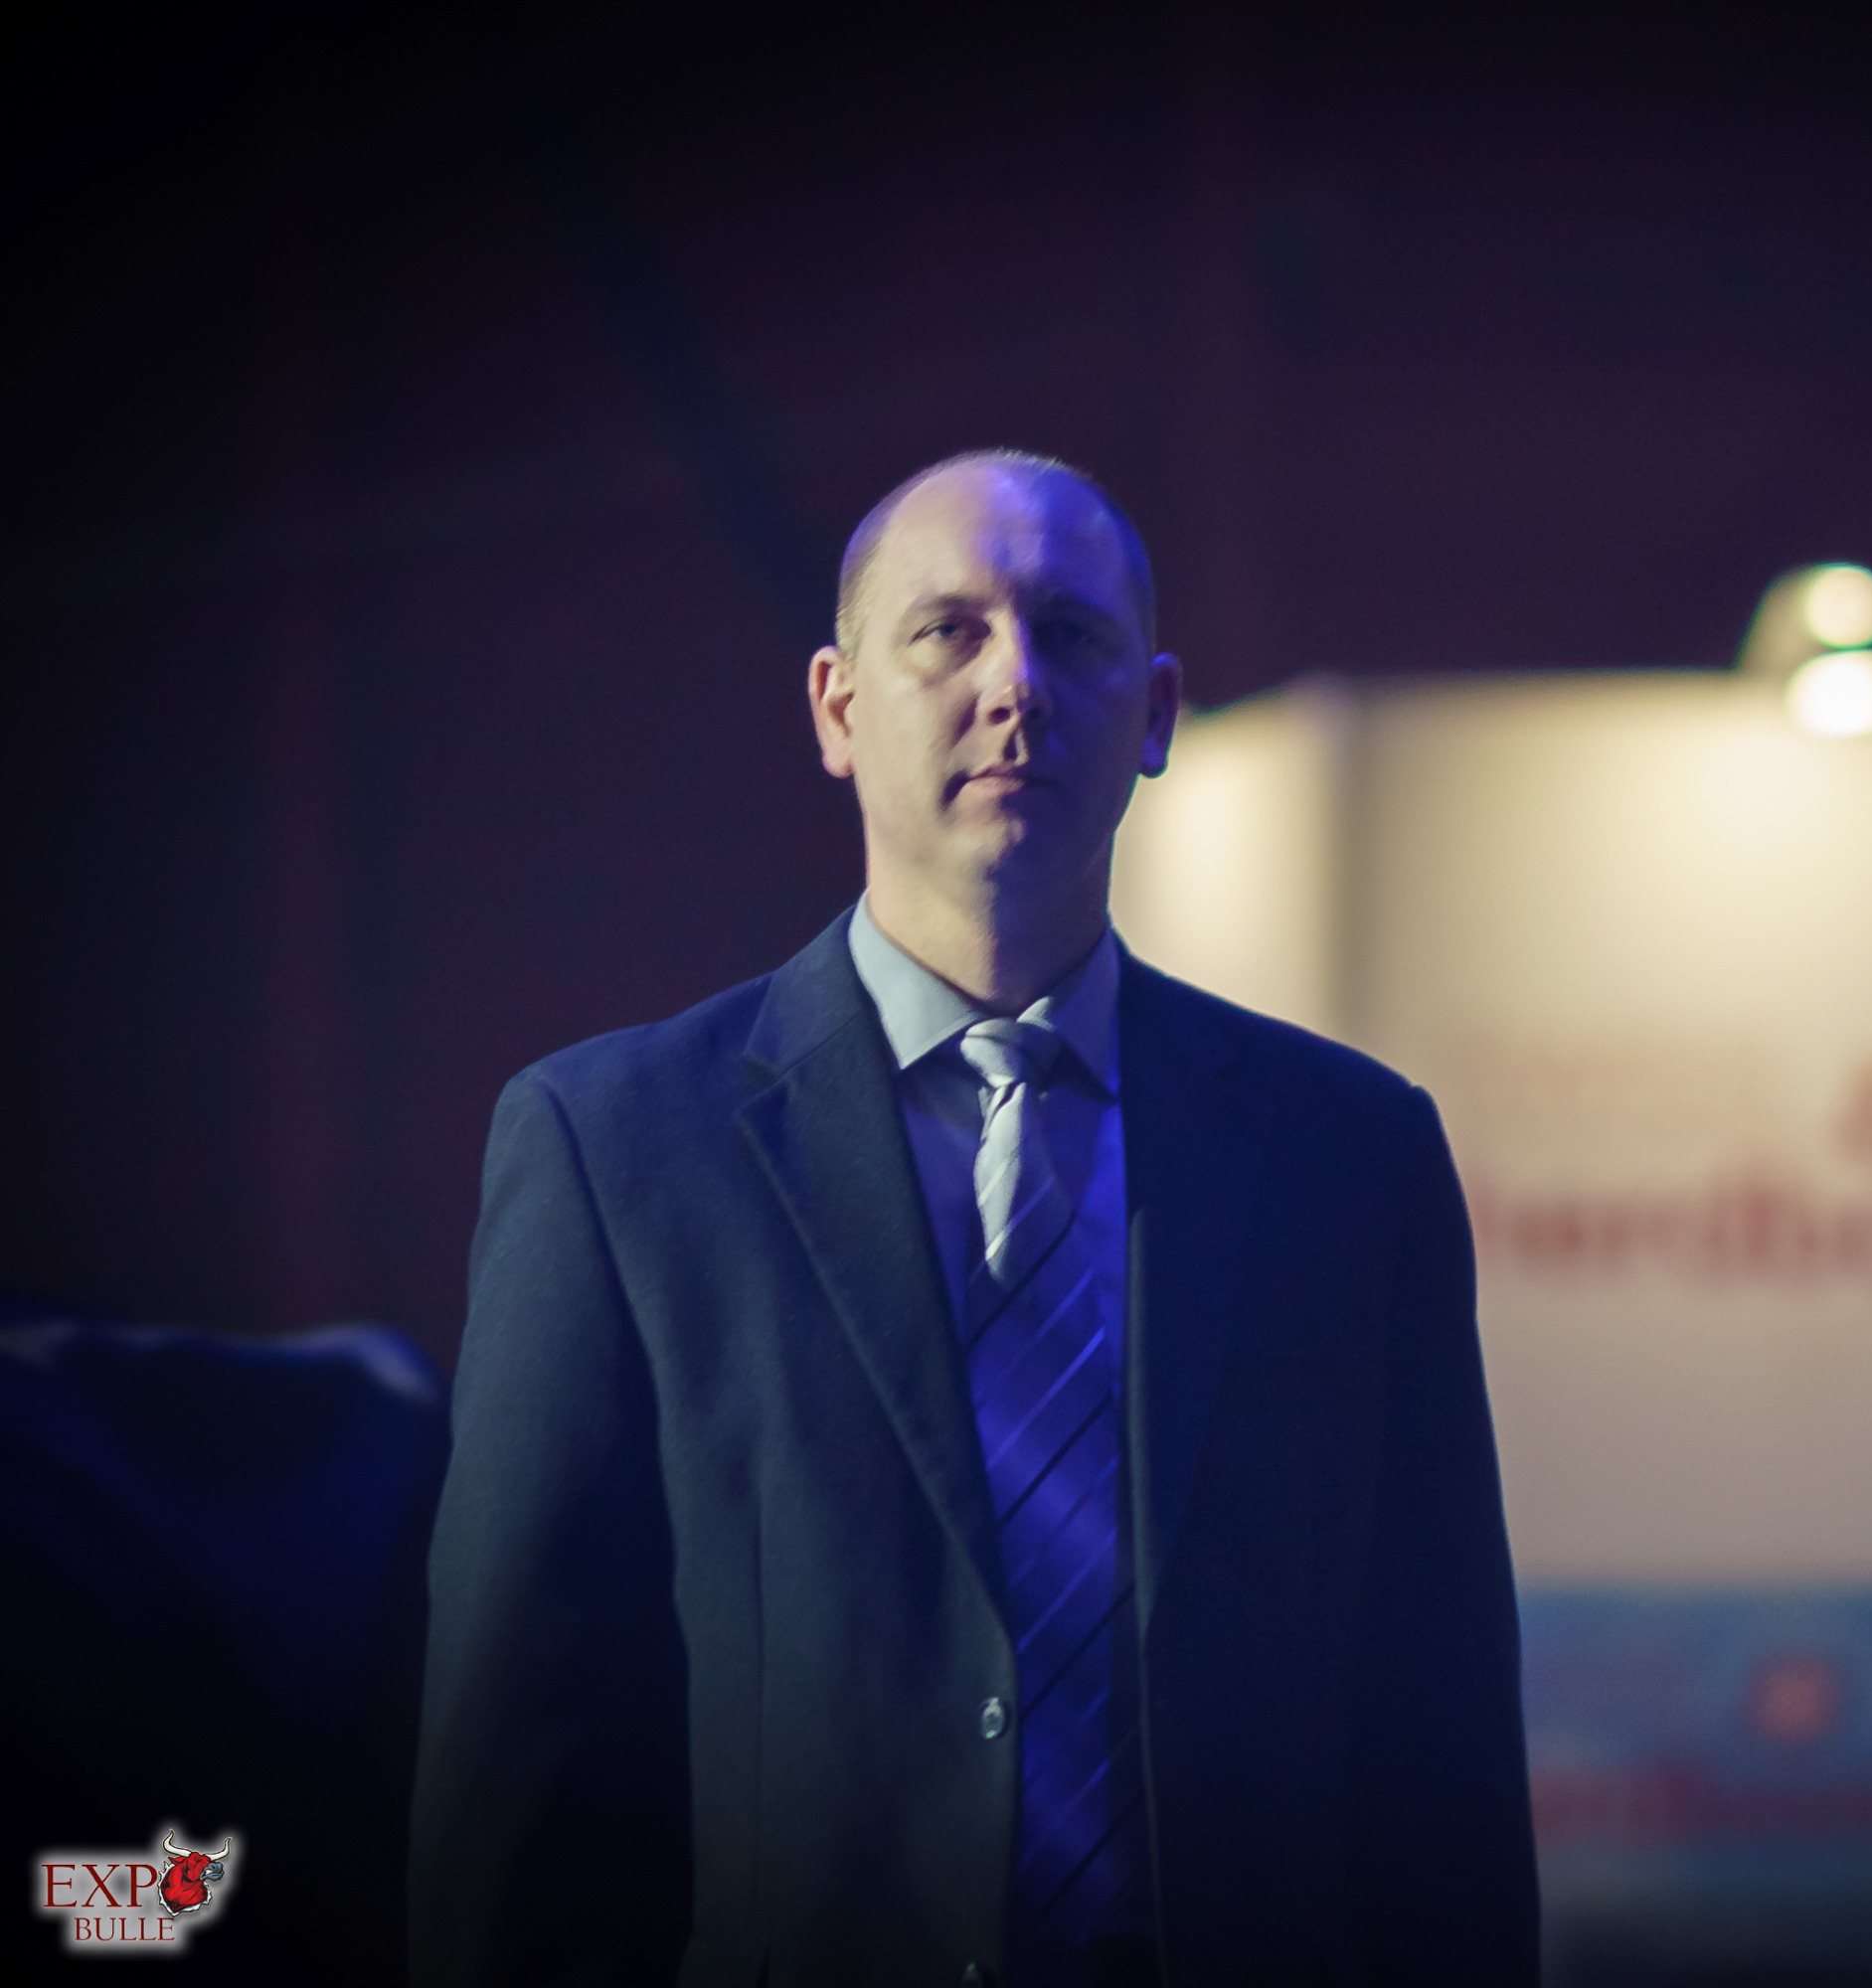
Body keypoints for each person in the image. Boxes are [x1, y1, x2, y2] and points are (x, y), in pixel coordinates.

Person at [409, 452, 1538, 1986]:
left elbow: (1439, 1750)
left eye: (1071, 636)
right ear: (836, 708)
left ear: (1155, 714)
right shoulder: (614, 1152)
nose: (1016, 684)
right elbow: (519, 1778)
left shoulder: (1354, 1159)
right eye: (949, 632)